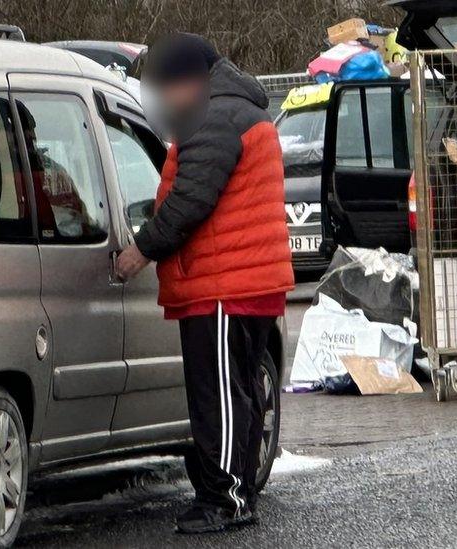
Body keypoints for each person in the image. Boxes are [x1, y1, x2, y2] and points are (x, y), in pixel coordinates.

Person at [114, 33, 295, 534]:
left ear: (189, 82)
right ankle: (232, 492)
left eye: (167, 87)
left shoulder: (215, 117)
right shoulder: (233, 110)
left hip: (225, 285)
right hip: (240, 283)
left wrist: (140, 250)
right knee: (235, 392)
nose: (165, 100)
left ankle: (227, 499)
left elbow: (190, 200)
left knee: (220, 395)